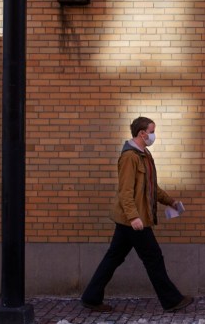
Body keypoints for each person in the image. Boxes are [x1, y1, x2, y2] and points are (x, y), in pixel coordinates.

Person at [80, 116, 194, 313]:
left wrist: (171, 202)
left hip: (134, 219)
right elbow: (125, 191)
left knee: (113, 257)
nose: (153, 135)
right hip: (134, 220)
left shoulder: (145, 154)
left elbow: (152, 187)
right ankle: (172, 300)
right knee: (153, 257)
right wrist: (133, 217)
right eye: (152, 131)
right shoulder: (129, 157)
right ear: (142, 133)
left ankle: (91, 296)